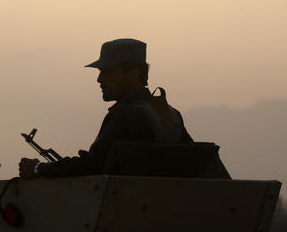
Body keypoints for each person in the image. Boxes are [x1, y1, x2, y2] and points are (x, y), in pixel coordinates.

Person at [18, 38, 193, 180]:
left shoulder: (125, 114)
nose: (100, 79)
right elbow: (193, 161)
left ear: (133, 74)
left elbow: (92, 165)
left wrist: (39, 168)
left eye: (108, 72)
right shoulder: (171, 114)